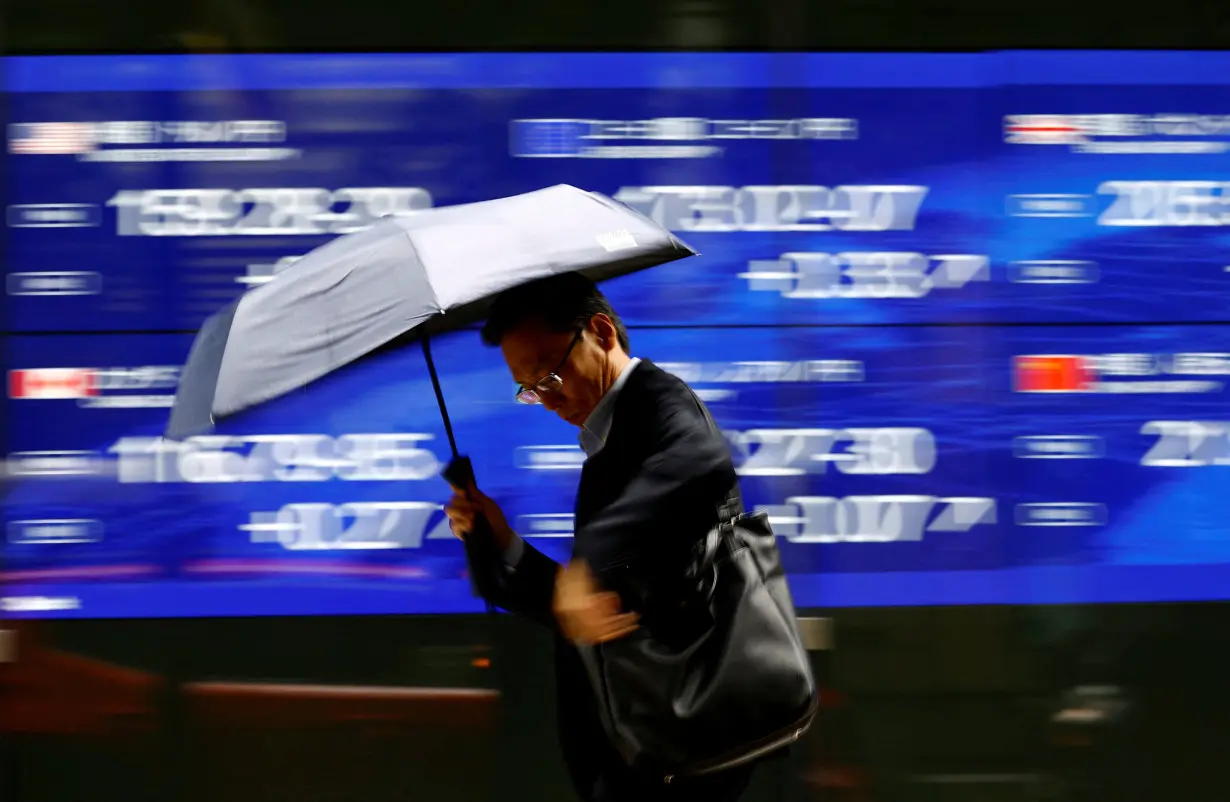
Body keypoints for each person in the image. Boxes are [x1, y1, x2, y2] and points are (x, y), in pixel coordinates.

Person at [445, 272, 757, 802]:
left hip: (680, 746)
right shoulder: (610, 440)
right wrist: (503, 544)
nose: (546, 399)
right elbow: (596, 610)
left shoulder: (661, 405)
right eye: (529, 389)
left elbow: (700, 460)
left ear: (601, 332)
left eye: (548, 374)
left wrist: (588, 563)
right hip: (639, 746)